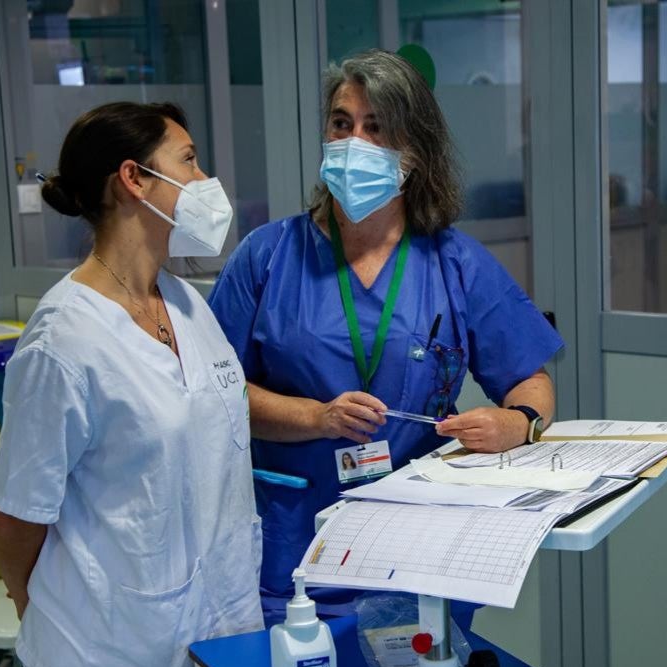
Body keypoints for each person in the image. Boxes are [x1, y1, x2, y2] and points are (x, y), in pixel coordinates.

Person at [209, 49, 564, 622]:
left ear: (412, 154)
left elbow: (530, 380)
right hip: (294, 547)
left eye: (376, 128)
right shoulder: (268, 257)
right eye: (342, 124)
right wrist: (316, 418)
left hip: (418, 547)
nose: (354, 143)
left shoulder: (455, 263)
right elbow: (215, 393)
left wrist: (518, 422)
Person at [0, 102, 262, 667]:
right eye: (188, 160)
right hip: (113, 656)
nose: (203, 180)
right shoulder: (63, 338)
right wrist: (47, 610)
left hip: (219, 630)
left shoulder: (187, 304)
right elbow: (16, 515)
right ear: (134, 179)